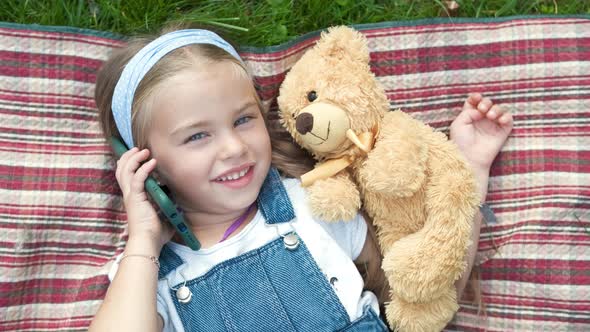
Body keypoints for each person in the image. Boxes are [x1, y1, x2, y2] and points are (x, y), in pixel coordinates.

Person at [89, 24, 513, 332]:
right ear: (145, 164)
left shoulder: (314, 206)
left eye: (242, 119)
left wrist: (469, 167)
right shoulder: (145, 275)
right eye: (197, 135)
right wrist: (143, 241)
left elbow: (426, 289)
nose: (234, 148)